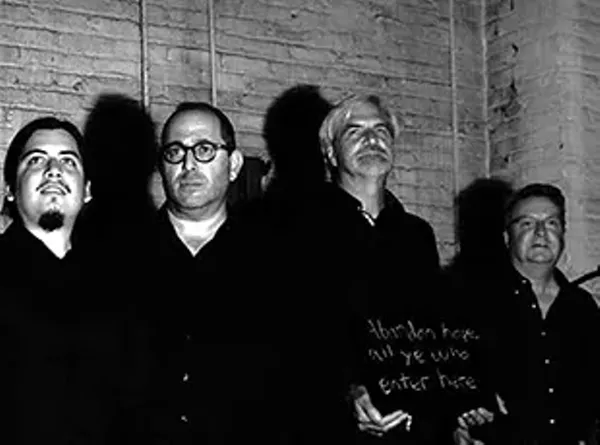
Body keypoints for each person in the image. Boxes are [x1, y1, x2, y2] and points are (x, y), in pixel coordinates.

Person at [309, 94, 458, 444]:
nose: (371, 140)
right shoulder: (299, 228)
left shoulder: (417, 234)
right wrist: (346, 391)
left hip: (412, 425)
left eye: (381, 131)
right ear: (330, 153)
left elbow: (430, 331)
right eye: (354, 132)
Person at [142, 102, 279, 444]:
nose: (188, 164)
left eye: (204, 150)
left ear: (233, 165)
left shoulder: (274, 261)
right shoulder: (120, 257)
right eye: (175, 152)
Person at [0, 116, 136, 444]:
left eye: (68, 161)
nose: (53, 170)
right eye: (36, 160)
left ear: (87, 190)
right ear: (10, 190)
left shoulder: (120, 287)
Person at [456, 183, 600, 444]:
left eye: (552, 223)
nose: (541, 232)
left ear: (563, 234)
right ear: (506, 237)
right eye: (527, 223)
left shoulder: (583, 307)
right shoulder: (472, 301)